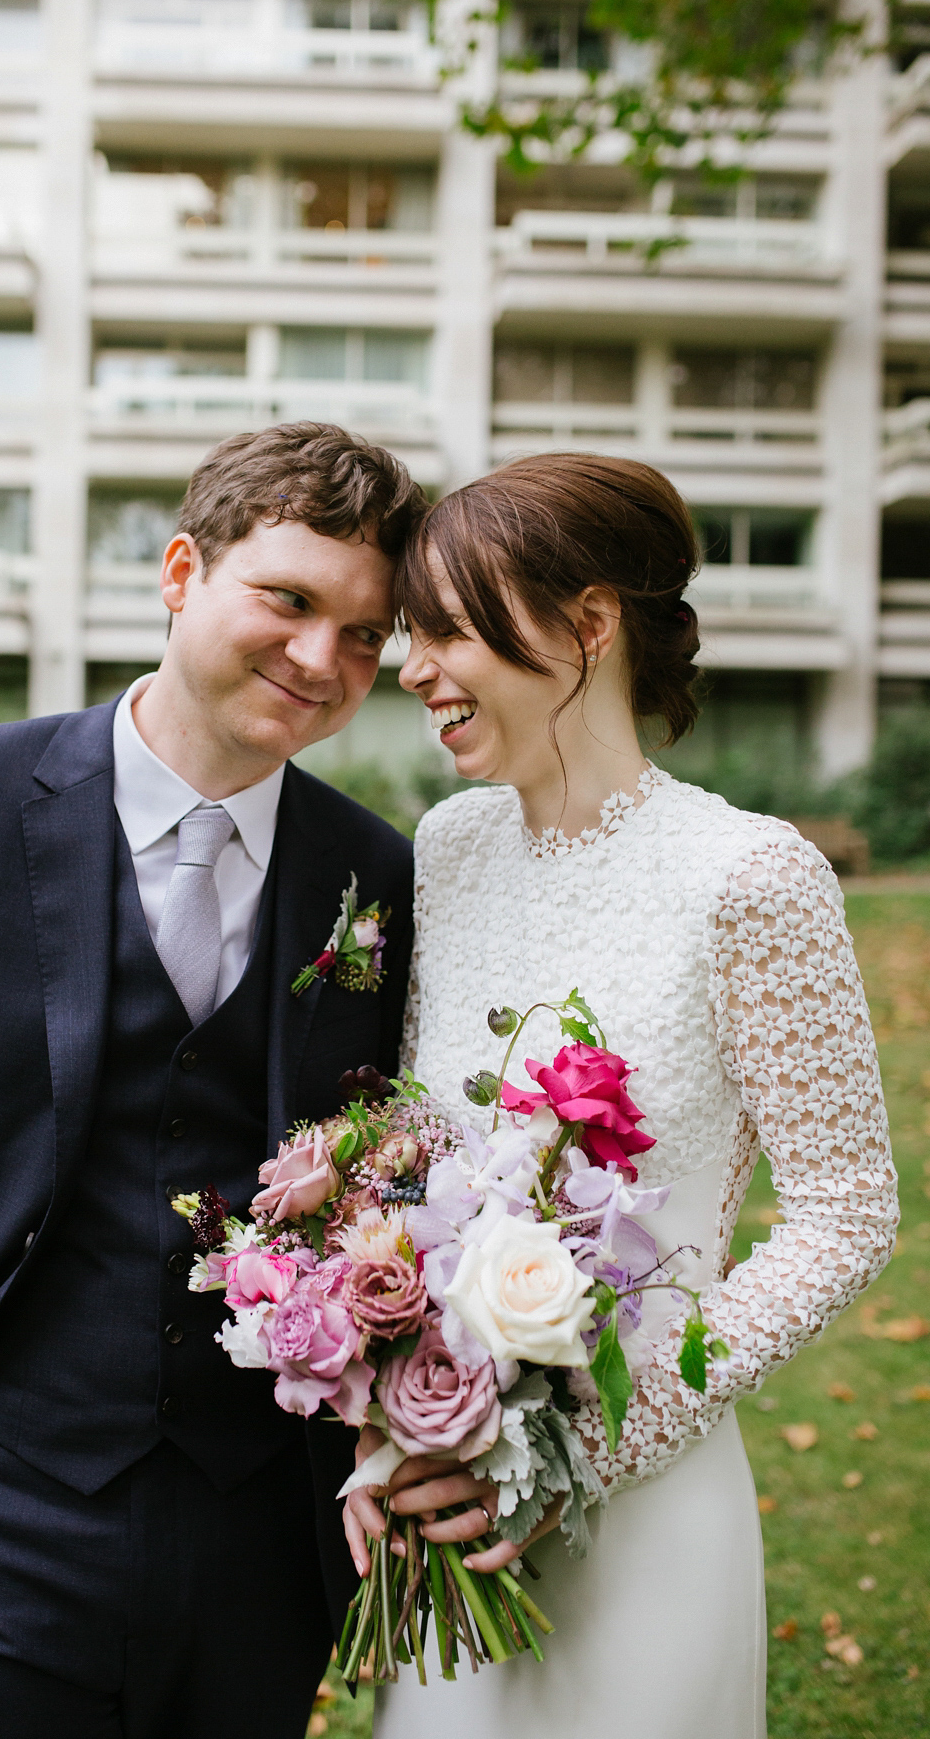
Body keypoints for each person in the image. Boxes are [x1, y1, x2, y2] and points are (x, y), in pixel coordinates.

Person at [0, 422, 424, 1739]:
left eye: (363, 635)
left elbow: (376, 1170)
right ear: (182, 570)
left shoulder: (372, 872)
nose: (322, 660)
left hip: (253, 1536)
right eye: (288, 600)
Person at [344, 453, 898, 1739]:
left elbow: (844, 1214)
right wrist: (402, 1414)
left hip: (647, 1496)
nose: (414, 668)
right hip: (451, 1483)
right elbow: (423, 1154)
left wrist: (592, 1440)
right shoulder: (452, 845)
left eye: (448, 631)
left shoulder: (751, 878)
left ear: (588, 626)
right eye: (411, 635)